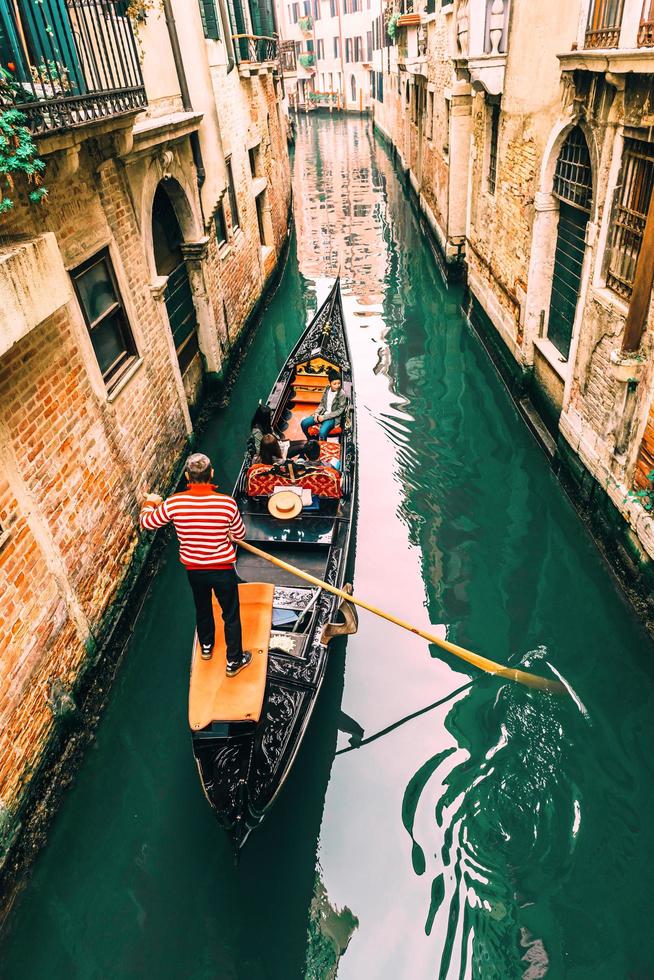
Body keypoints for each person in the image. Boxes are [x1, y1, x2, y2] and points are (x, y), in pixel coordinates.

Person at [139, 452, 252, 677]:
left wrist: (151, 501)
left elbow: (147, 522)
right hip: (222, 569)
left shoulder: (174, 503)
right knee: (230, 614)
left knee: (202, 607)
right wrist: (226, 532)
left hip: (195, 570)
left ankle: (207, 647)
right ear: (211, 473)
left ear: (188, 477)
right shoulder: (226, 504)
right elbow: (240, 533)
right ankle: (234, 661)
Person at [300, 369, 349, 440]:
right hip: (322, 413)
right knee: (304, 423)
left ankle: (321, 448)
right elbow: (322, 403)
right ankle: (311, 439)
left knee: (322, 433)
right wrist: (316, 413)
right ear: (330, 383)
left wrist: (324, 417)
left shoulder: (341, 394)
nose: (337, 386)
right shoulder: (327, 389)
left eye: (339, 383)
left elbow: (339, 411)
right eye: (334, 384)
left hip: (332, 418)